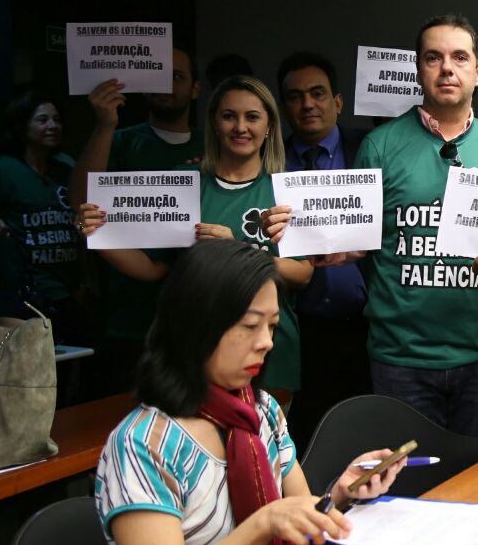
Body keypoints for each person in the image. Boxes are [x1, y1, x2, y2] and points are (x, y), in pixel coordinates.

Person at [95, 239, 404, 545]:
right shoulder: (143, 443)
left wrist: (341, 494)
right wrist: (263, 524)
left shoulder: (262, 411)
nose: (266, 343)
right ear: (196, 324)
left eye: (272, 326)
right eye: (250, 325)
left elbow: (298, 513)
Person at [78, 75, 313, 396]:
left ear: (270, 125)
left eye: (252, 117)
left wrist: (237, 251)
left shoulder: (287, 189)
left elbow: (303, 274)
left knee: (265, 447)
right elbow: (152, 268)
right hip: (195, 353)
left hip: (270, 354)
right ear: (214, 122)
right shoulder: (184, 183)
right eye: (229, 116)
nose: (240, 127)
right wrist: (96, 235)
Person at [338, 15, 478, 439]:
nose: (447, 68)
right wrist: (308, 232)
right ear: (418, 69)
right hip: (401, 359)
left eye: (459, 57)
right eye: (433, 57)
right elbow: (355, 241)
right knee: (407, 492)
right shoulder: (379, 146)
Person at [68, 48, 204, 394]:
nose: (166, 84)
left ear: (196, 89)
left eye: (177, 76)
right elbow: (81, 204)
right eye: (157, 74)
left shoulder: (215, 143)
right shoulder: (118, 139)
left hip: (197, 318)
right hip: (130, 318)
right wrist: (103, 124)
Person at [275, 51, 372, 441]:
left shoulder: (370, 150)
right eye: (295, 96)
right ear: (283, 107)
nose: (307, 104)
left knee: (370, 437)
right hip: (302, 331)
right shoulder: (271, 162)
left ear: (337, 102)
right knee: (309, 438)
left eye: (317, 93)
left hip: (367, 328)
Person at [0, 90, 84, 339]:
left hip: (68, 292)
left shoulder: (67, 167)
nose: (52, 126)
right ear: (21, 126)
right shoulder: (1, 170)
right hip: (23, 297)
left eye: (57, 119)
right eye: (42, 119)